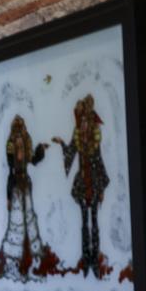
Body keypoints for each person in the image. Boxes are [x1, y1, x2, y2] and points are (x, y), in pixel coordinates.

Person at [0, 115, 57, 280]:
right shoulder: (12, 167)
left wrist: (41, 148)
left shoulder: (26, 157)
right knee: (16, 223)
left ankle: (32, 258)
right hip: (15, 187)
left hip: (25, 186)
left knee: (29, 219)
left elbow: (34, 160)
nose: (20, 147)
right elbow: (9, 175)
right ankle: (14, 261)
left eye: (22, 144)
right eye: (18, 144)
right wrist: (8, 197)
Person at [53, 94, 110, 278]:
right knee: (83, 222)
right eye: (82, 121)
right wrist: (62, 144)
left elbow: (99, 162)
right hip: (82, 182)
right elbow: (70, 152)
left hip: (93, 182)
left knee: (94, 222)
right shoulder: (78, 136)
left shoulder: (94, 141)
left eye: (86, 121)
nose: (84, 124)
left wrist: (101, 189)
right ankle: (86, 258)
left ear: (91, 123)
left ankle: (95, 258)